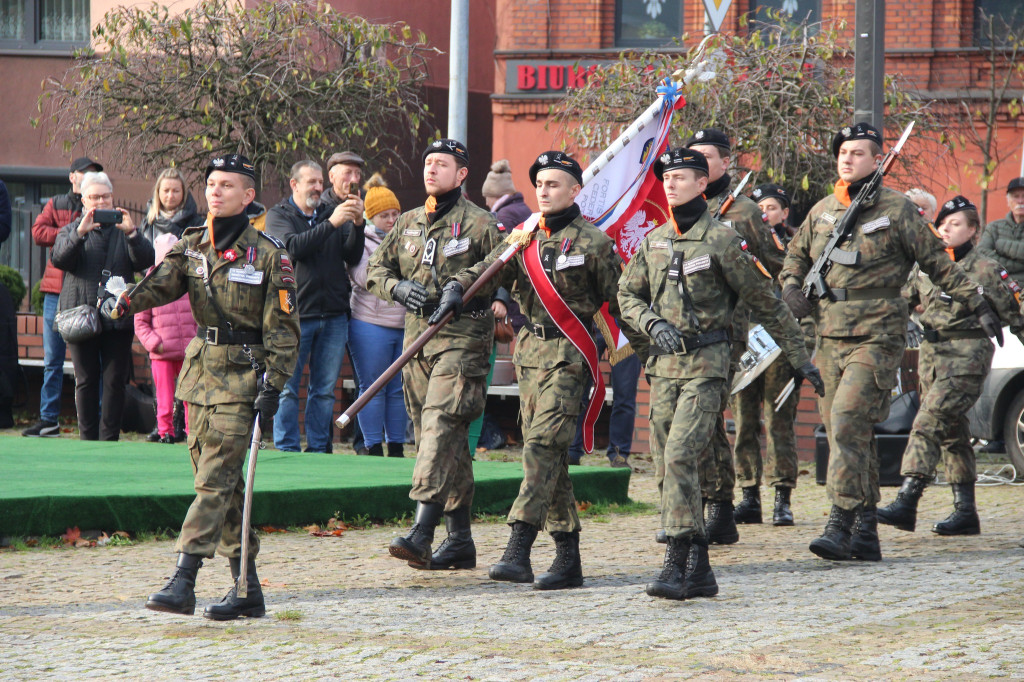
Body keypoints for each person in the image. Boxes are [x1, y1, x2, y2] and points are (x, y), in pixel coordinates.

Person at [780, 122, 1002, 562]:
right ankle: (865, 531)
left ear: (877, 159)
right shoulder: (823, 210)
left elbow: (938, 265)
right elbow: (795, 256)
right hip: (829, 335)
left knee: (845, 420)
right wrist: (791, 287)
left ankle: (840, 520)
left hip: (878, 334)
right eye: (843, 151)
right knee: (849, 434)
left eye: (859, 152)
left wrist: (977, 302)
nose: (848, 158)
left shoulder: (898, 210)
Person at [618, 147, 821, 600]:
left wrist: (800, 356)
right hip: (664, 367)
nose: (671, 182)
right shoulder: (654, 241)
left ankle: (675, 559)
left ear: (702, 184)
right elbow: (625, 295)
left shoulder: (723, 241)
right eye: (667, 176)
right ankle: (700, 566)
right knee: (667, 466)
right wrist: (652, 324)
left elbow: (767, 302)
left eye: (682, 176)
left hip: (708, 366)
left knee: (681, 455)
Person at [103, 153, 299, 620]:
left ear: (248, 196)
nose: (215, 190)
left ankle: (183, 578)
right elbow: (157, 284)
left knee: (214, 481)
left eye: (227, 185)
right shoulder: (192, 245)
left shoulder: (270, 254)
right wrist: (118, 303)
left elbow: (285, 331)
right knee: (223, 486)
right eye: (211, 183)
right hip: (199, 375)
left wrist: (276, 382)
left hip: (243, 377)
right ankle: (246, 588)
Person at [437, 150, 622, 589]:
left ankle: (518, 548)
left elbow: (621, 300)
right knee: (546, 455)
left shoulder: (594, 243)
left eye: (554, 183)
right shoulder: (524, 236)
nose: (544, 190)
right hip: (528, 355)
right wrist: (456, 288)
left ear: (575, 190)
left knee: (540, 446)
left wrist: (644, 347)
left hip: (569, 356)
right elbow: (487, 268)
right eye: (539, 183)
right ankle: (568, 556)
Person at [365, 138, 503, 570]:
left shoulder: (482, 223)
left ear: (462, 174)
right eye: (427, 162)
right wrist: (397, 288)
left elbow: (502, 265)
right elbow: (376, 270)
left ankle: (422, 529)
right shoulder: (406, 223)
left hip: (463, 342)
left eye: (441, 164)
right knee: (442, 441)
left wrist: (461, 285)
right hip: (417, 344)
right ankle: (459, 538)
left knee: (442, 425)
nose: (431, 169)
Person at [877, 196, 1023, 536]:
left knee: (928, 422)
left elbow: (1019, 313)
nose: (945, 229)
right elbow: (899, 302)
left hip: (968, 353)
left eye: (955, 224)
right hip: (931, 356)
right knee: (953, 433)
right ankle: (965, 512)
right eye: (942, 223)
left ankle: (907, 499)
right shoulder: (926, 267)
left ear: (973, 230)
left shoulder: (986, 269)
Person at [685, 128, 787, 544]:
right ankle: (713, 502)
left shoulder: (744, 212)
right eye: (692, 157)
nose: (698, 164)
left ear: (725, 163)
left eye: (706, 156)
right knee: (701, 423)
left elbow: (778, 266)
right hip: (685, 332)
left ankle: (720, 504)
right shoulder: (681, 207)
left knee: (709, 418)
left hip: (728, 333)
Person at [265, 160, 364, 453]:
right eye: (312, 182)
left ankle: (319, 449)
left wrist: (357, 225)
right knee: (287, 389)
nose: (319, 188)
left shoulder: (328, 213)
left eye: (321, 182)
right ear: (294, 184)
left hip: (333, 314)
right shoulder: (278, 215)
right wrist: (332, 223)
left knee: (324, 391)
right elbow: (293, 248)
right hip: (294, 315)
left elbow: (352, 254)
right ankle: (287, 449)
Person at [50, 171, 154, 441]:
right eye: (93, 197)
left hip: (117, 314)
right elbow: (59, 259)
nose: (99, 202)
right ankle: (87, 438)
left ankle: (109, 439)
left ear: (112, 198)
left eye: (104, 196)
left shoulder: (125, 229)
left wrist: (132, 233)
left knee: (115, 381)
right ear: (83, 200)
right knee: (85, 380)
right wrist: (80, 233)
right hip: (80, 315)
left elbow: (146, 261)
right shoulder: (71, 230)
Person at [731, 183, 809, 526]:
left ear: (784, 213)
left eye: (771, 208)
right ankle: (749, 495)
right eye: (759, 207)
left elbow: (800, 300)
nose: (765, 214)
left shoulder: (791, 254)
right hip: (744, 342)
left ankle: (782, 497)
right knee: (745, 422)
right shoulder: (734, 244)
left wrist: (801, 349)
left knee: (779, 421)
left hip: (777, 343)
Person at [23, 157, 101, 437]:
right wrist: (72, 232)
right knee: (53, 359)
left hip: (88, 291)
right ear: (72, 177)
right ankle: (49, 419)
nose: (90, 177)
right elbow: (37, 232)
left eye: (95, 174)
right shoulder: (57, 203)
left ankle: (98, 419)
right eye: (85, 173)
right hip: (56, 291)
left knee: (94, 361)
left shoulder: (101, 205)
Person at [347, 173, 407, 457]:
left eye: (395, 213)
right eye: (385, 215)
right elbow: (360, 276)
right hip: (370, 324)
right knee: (372, 387)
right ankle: (372, 446)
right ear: (371, 217)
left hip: (403, 323)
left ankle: (396, 446)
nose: (392, 219)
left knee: (398, 389)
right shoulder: (364, 240)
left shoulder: (409, 240)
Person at [133, 233, 197, 443]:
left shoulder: (191, 284)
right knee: (164, 397)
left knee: (191, 395)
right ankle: (165, 431)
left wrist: (197, 341)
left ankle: (191, 431)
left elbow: (201, 315)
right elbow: (140, 322)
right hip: (162, 353)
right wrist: (154, 344)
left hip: (189, 351)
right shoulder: (148, 285)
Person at [567, 332, 641, 468]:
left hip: (623, 327)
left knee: (625, 395)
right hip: (591, 323)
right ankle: (571, 451)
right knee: (578, 392)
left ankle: (619, 455)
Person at [139, 168, 202, 243]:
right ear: (158, 192)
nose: (170, 196)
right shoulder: (148, 223)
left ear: (184, 193)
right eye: (166, 190)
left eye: (176, 191)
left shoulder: (196, 225)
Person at [481, 159, 533, 227]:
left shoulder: (503, 215)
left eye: (487, 197)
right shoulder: (523, 207)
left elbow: (505, 238)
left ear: (496, 195)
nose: (486, 203)